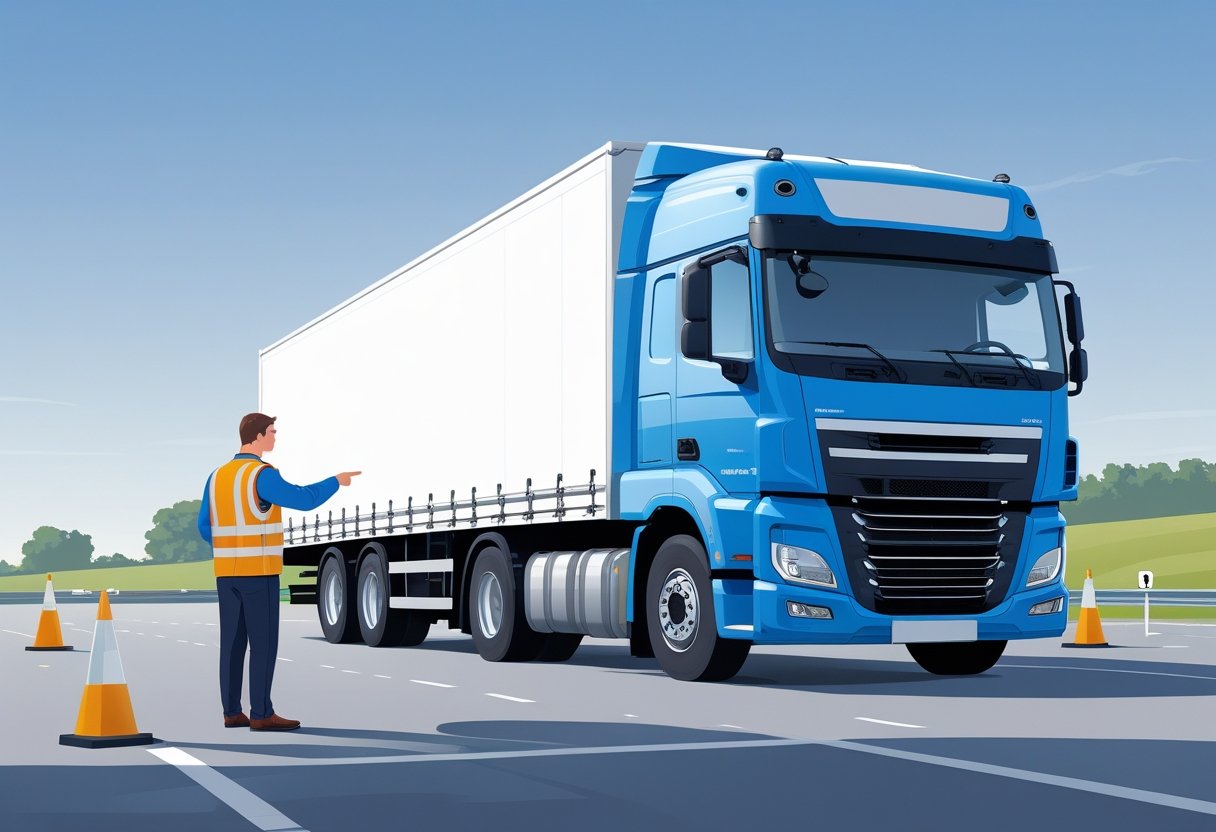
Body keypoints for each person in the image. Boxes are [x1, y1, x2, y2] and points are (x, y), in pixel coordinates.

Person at [197, 413, 360, 731]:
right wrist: (335, 481)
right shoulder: (261, 475)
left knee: (232, 645)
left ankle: (232, 712)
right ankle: (261, 713)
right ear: (257, 436)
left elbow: (204, 525)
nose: (274, 437)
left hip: (226, 574)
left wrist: (230, 547)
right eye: (271, 432)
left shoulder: (216, 477)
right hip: (258, 573)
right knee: (263, 644)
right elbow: (303, 499)